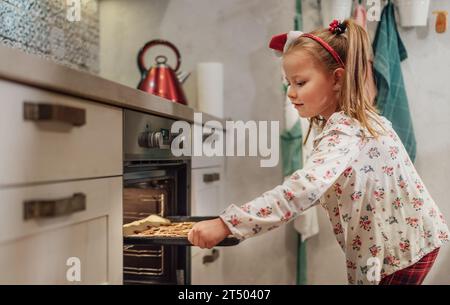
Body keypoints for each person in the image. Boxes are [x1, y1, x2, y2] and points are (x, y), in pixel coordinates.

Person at [187, 19, 449, 285]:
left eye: (300, 82)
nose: (290, 93)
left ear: (337, 79)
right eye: (287, 83)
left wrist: (227, 224)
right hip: (407, 241)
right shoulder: (351, 121)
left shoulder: (346, 129)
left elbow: (304, 189)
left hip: (399, 251)